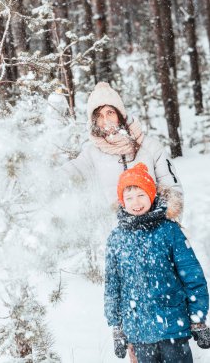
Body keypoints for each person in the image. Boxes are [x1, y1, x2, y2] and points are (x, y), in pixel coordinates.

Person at [104, 163, 210, 362]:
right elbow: (112, 285)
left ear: (151, 194)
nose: (136, 202)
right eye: (129, 198)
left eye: (141, 195)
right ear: (122, 201)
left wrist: (198, 319)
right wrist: (117, 327)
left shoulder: (169, 230)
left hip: (173, 327)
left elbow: (192, 275)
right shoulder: (116, 238)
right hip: (139, 331)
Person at [61, 82, 183, 221]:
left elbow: (172, 189)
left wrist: (167, 225)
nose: (105, 120)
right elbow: (68, 174)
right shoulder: (91, 154)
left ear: (120, 114)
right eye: (99, 116)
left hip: (156, 231)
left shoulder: (150, 147)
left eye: (110, 113)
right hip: (116, 236)